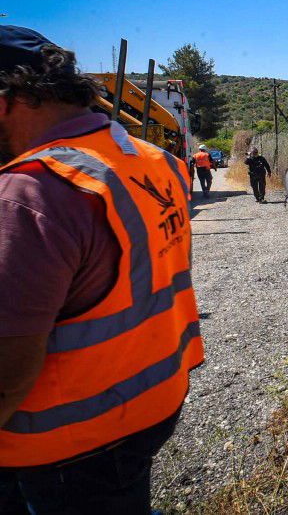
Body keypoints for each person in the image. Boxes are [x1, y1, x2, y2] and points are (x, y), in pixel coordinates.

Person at [0, 25, 205, 513]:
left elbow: (6, 375)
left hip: (62, 446)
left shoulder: (29, 193)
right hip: (152, 400)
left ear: (7, 101)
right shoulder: (157, 162)